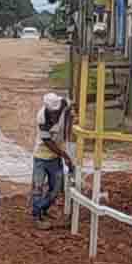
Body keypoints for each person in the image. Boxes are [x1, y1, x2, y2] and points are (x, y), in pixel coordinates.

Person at [32, 92, 75, 230]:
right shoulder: (42, 118)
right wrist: (65, 156)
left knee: (56, 189)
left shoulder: (63, 104)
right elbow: (47, 142)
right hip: (41, 156)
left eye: (56, 112)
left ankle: (43, 209)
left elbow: (72, 105)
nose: (55, 115)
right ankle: (37, 216)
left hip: (55, 158)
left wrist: (71, 117)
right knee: (38, 188)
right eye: (53, 113)